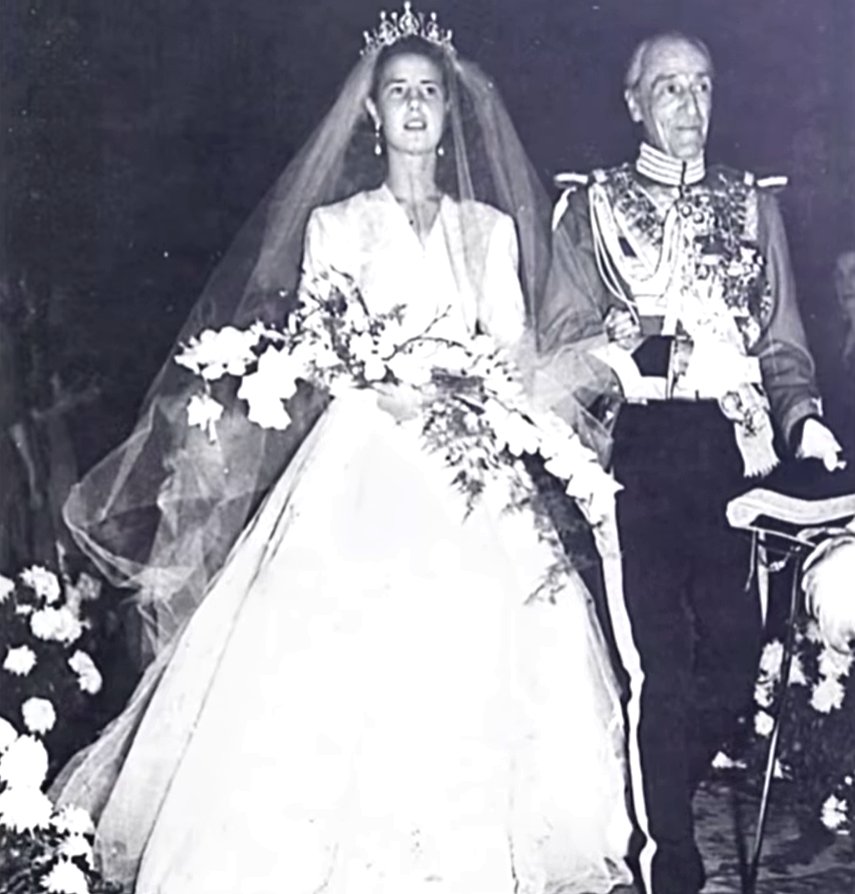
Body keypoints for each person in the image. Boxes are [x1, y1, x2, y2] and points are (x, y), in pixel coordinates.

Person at [52, 6, 634, 892]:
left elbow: (510, 347)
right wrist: (381, 383)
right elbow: (323, 349)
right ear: (370, 111)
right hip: (362, 454)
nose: (412, 108)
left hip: (462, 452)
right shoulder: (338, 224)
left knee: (481, 644)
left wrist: (467, 392)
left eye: (427, 94)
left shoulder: (489, 229)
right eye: (396, 93)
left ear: (449, 111)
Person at [535, 31, 844, 894]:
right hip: (640, 448)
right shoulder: (590, 208)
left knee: (738, 653)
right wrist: (648, 356)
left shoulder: (753, 205)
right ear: (632, 101)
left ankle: (658, 788)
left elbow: (782, 341)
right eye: (667, 88)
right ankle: (668, 852)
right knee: (660, 662)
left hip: (732, 451)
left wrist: (802, 422)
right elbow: (560, 342)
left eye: (701, 86)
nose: (688, 105)